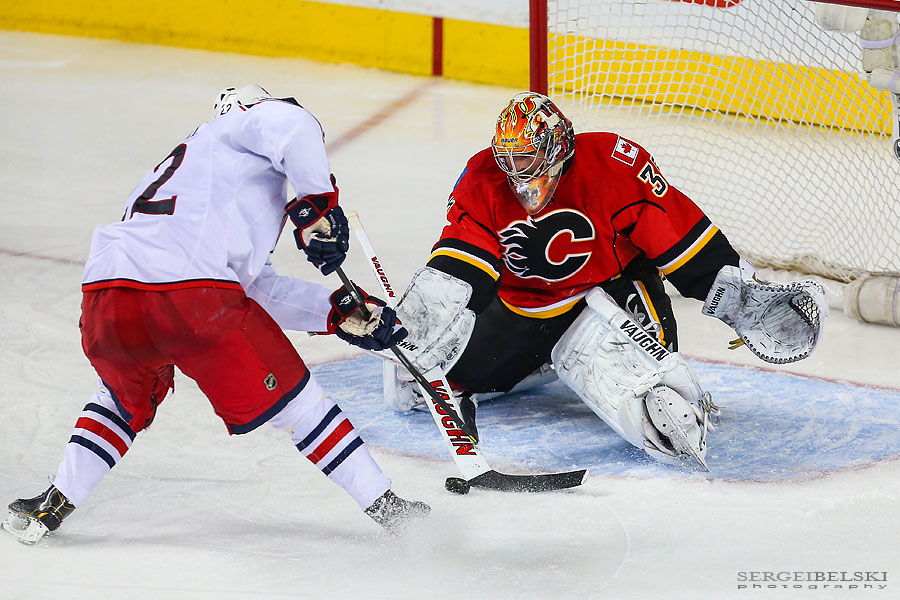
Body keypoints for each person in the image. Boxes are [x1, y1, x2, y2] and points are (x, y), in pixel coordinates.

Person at [3, 85, 429, 544]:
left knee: (121, 399)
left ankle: (54, 500)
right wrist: (318, 210)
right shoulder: (241, 124)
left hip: (107, 299)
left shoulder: (202, 180)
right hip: (193, 297)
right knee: (301, 405)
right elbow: (293, 124)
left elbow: (253, 290)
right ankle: (386, 506)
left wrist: (333, 311)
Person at [384, 91, 827, 469]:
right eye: (511, 158)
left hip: (610, 294)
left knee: (662, 407)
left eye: (530, 156)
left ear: (559, 147)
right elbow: (463, 259)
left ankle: (611, 367)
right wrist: (421, 318)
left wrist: (742, 301)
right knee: (422, 379)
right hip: (525, 306)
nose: (519, 169)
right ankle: (542, 360)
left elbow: (678, 237)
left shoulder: (613, 163)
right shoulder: (482, 178)